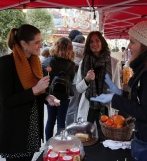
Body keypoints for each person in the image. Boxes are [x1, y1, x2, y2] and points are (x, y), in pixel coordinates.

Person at [90, 14, 147, 161]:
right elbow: (145, 98)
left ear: (145, 46)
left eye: (132, 42)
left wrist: (115, 98)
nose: (128, 46)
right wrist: (120, 93)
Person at [0, 24, 60, 161]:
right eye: (37, 42)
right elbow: (6, 101)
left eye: (41, 41)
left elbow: (35, 93)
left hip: (32, 128)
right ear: (23, 44)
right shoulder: (6, 63)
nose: (41, 45)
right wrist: (35, 90)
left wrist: (46, 97)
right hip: (15, 132)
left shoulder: (34, 62)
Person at [76, 31, 121, 130]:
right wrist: (87, 79)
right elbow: (78, 89)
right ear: (88, 45)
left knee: (105, 137)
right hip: (89, 106)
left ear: (102, 42)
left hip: (105, 106)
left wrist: (117, 110)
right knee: (86, 136)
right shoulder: (83, 63)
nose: (94, 44)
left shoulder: (113, 63)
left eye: (97, 40)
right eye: (91, 41)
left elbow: (117, 88)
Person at [42, 37, 75, 141]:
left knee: (50, 120)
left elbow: (43, 76)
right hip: (64, 97)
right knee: (61, 121)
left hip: (50, 95)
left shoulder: (49, 61)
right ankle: (60, 144)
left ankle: (48, 145)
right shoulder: (71, 64)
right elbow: (72, 80)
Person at [66, 34, 85, 126]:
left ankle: (69, 125)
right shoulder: (85, 49)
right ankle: (78, 124)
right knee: (80, 104)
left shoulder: (70, 47)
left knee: (71, 105)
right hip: (82, 80)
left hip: (72, 80)